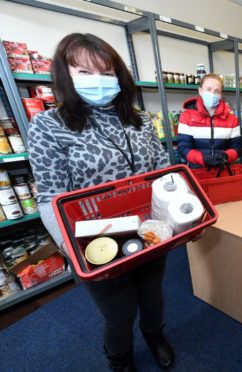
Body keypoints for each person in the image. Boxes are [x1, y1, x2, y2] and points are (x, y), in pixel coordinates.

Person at [27, 33, 174, 371]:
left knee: (153, 296)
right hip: (96, 238)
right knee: (119, 312)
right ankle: (120, 359)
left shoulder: (140, 120)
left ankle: (155, 335)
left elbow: (165, 172)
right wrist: (71, 248)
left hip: (151, 227)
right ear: (66, 76)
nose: (99, 82)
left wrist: (183, 219)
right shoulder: (50, 126)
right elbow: (49, 198)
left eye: (107, 74)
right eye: (84, 72)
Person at [177, 74, 241, 169]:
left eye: (217, 91)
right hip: (197, 171)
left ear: (221, 94)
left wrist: (226, 155)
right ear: (200, 91)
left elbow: (237, 148)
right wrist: (203, 159)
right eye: (208, 89)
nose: (212, 94)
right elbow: (183, 148)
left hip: (223, 169)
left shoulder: (232, 120)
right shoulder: (187, 117)